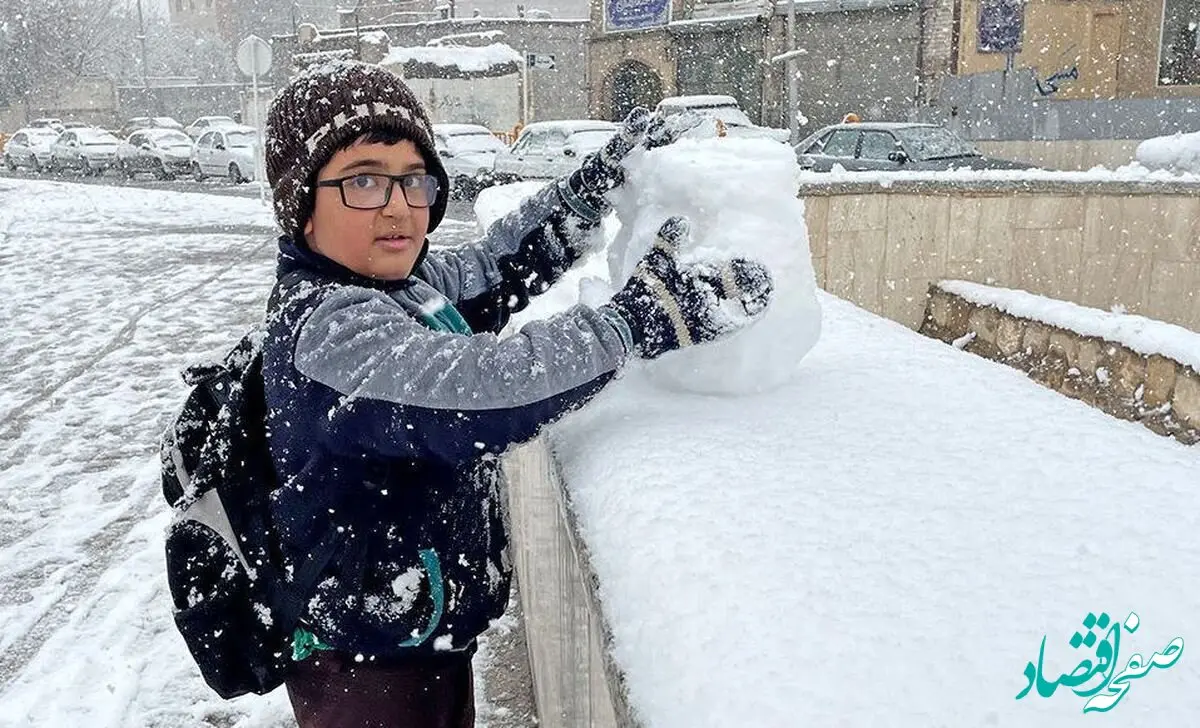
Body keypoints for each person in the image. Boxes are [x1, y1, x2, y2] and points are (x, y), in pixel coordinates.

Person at [261, 60, 774, 728]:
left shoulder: (401, 287)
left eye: (414, 180)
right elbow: (486, 390)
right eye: (362, 181)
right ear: (301, 200)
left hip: (416, 632)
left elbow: (494, 266)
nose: (398, 205)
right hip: (366, 665)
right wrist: (634, 321)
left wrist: (583, 198)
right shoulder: (331, 329)